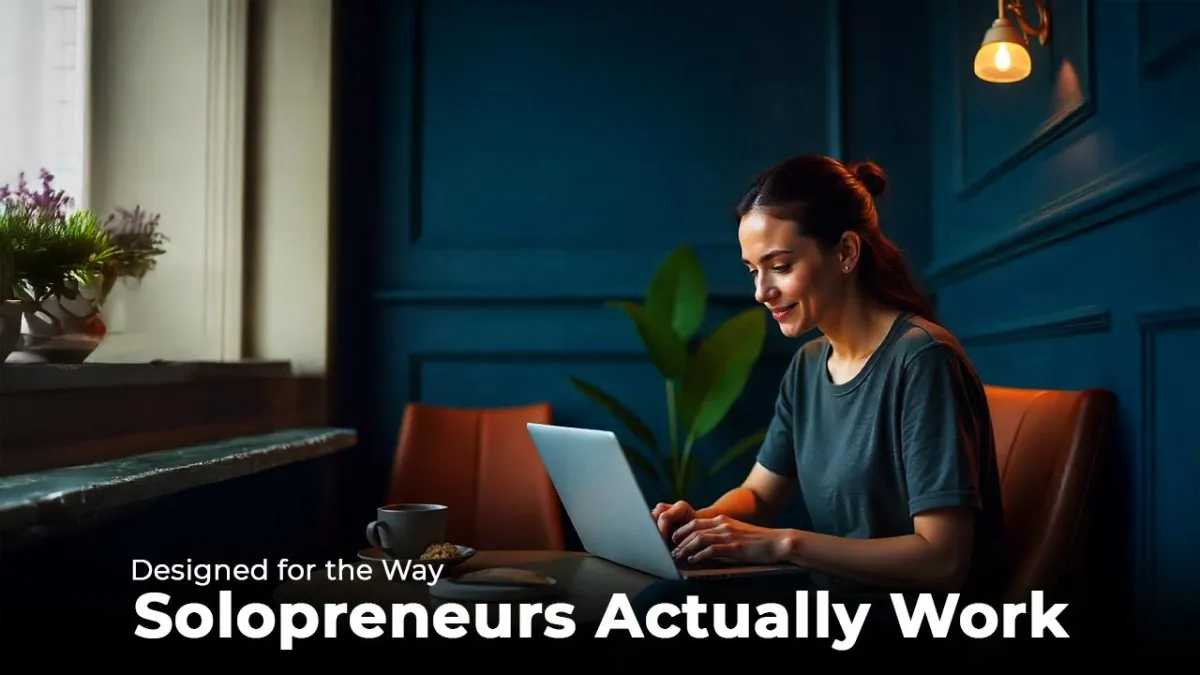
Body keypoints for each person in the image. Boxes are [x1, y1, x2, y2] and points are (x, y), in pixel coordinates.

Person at [634, 155, 1009, 657]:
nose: (761, 292)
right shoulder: (810, 364)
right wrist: (704, 526)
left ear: (847, 252)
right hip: (833, 599)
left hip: (914, 623)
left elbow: (942, 561)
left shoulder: (923, 360)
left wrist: (784, 544)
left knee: (668, 617)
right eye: (753, 271)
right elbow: (759, 494)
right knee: (660, 603)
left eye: (780, 267)